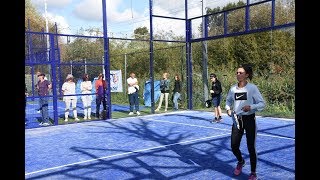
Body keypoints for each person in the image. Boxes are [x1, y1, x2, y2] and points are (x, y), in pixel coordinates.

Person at [225, 64, 266, 180]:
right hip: (237, 120)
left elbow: (262, 104)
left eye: (241, 73)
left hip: (249, 120)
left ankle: (253, 173)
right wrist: (228, 109)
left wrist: (251, 107)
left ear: (247, 75)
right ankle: (241, 161)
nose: (238, 74)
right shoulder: (233, 89)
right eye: (237, 73)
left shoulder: (252, 88)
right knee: (233, 146)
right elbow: (228, 101)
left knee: (250, 147)